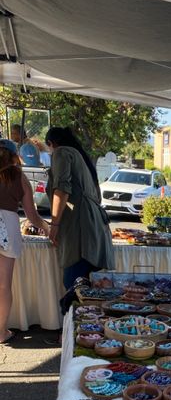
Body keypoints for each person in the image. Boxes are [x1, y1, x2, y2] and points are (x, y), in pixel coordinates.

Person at [45, 126, 114, 289]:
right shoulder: (80, 157)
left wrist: (54, 224)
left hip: (81, 232)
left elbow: (62, 189)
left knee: (75, 286)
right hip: (95, 229)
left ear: (51, 143)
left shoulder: (61, 152)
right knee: (91, 289)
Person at [0, 139, 50, 343]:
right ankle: (1, 332)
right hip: (8, 227)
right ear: (14, 156)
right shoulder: (19, 177)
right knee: (3, 286)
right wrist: (47, 228)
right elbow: (32, 216)